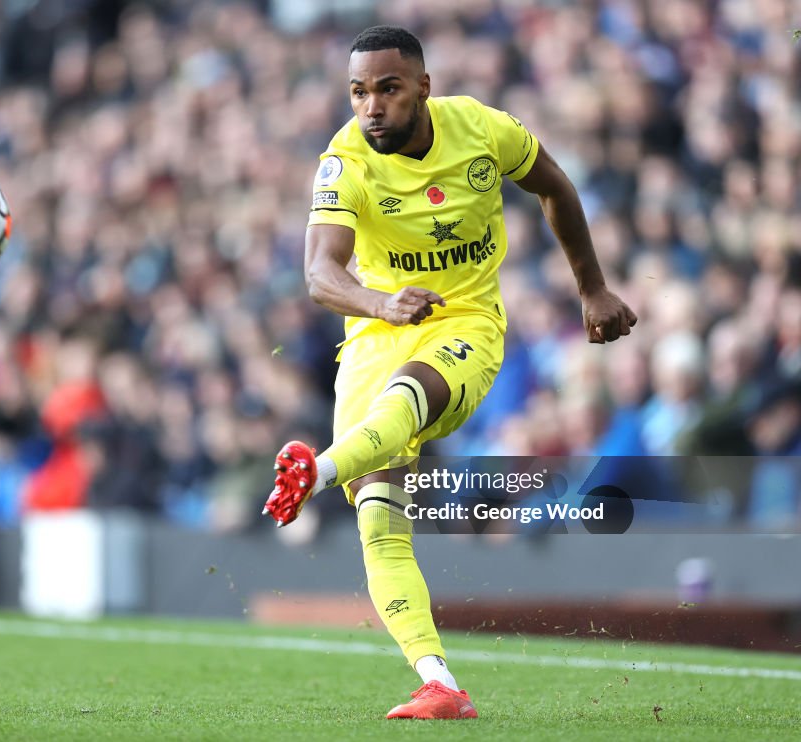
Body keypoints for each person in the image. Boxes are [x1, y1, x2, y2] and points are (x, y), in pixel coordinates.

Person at [262, 26, 637, 720]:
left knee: (405, 404)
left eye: (387, 88)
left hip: (465, 322)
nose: (370, 106)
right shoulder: (344, 161)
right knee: (379, 520)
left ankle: (313, 473)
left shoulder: (482, 130)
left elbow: (554, 186)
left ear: (423, 88)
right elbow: (319, 273)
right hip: (376, 329)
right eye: (357, 92)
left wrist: (591, 289)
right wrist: (381, 303)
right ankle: (440, 682)